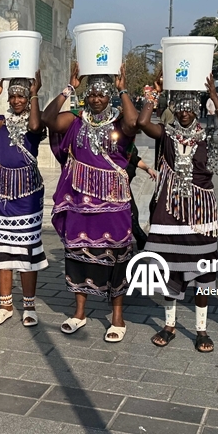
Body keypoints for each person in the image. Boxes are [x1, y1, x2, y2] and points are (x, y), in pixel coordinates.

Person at [42, 63, 137, 342]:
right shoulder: (76, 119)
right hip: (79, 202)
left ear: (110, 96)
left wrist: (124, 89)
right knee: (77, 254)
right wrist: (69, 87)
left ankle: (117, 317)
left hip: (114, 201)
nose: (96, 99)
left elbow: (134, 124)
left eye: (102, 94)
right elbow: (48, 120)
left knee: (117, 255)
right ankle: (79, 313)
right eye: (91, 94)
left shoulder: (120, 119)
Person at [139, 74, 218, 352]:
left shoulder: (207, 134)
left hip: (201, 211)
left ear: (198, 107)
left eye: (190, 106)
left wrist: (214, 96)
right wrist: (154, 94)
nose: (184, 111)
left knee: (203, 270)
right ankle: (169, 325)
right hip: (168, 210)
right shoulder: (166, 133)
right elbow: (143, 123)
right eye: (179, 105)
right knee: (167, 266)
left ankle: (201, 329)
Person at [0, 71, 48, 326]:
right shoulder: (2, 120)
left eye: (21, 96)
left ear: (28, 99)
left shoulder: (33, 122)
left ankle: (29, 306)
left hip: (27, 192)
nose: (16, 100)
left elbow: (37, 126)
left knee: (26, 250)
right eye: (13, 95)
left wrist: (36, 92)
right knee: (0, 249)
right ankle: (5, 304)